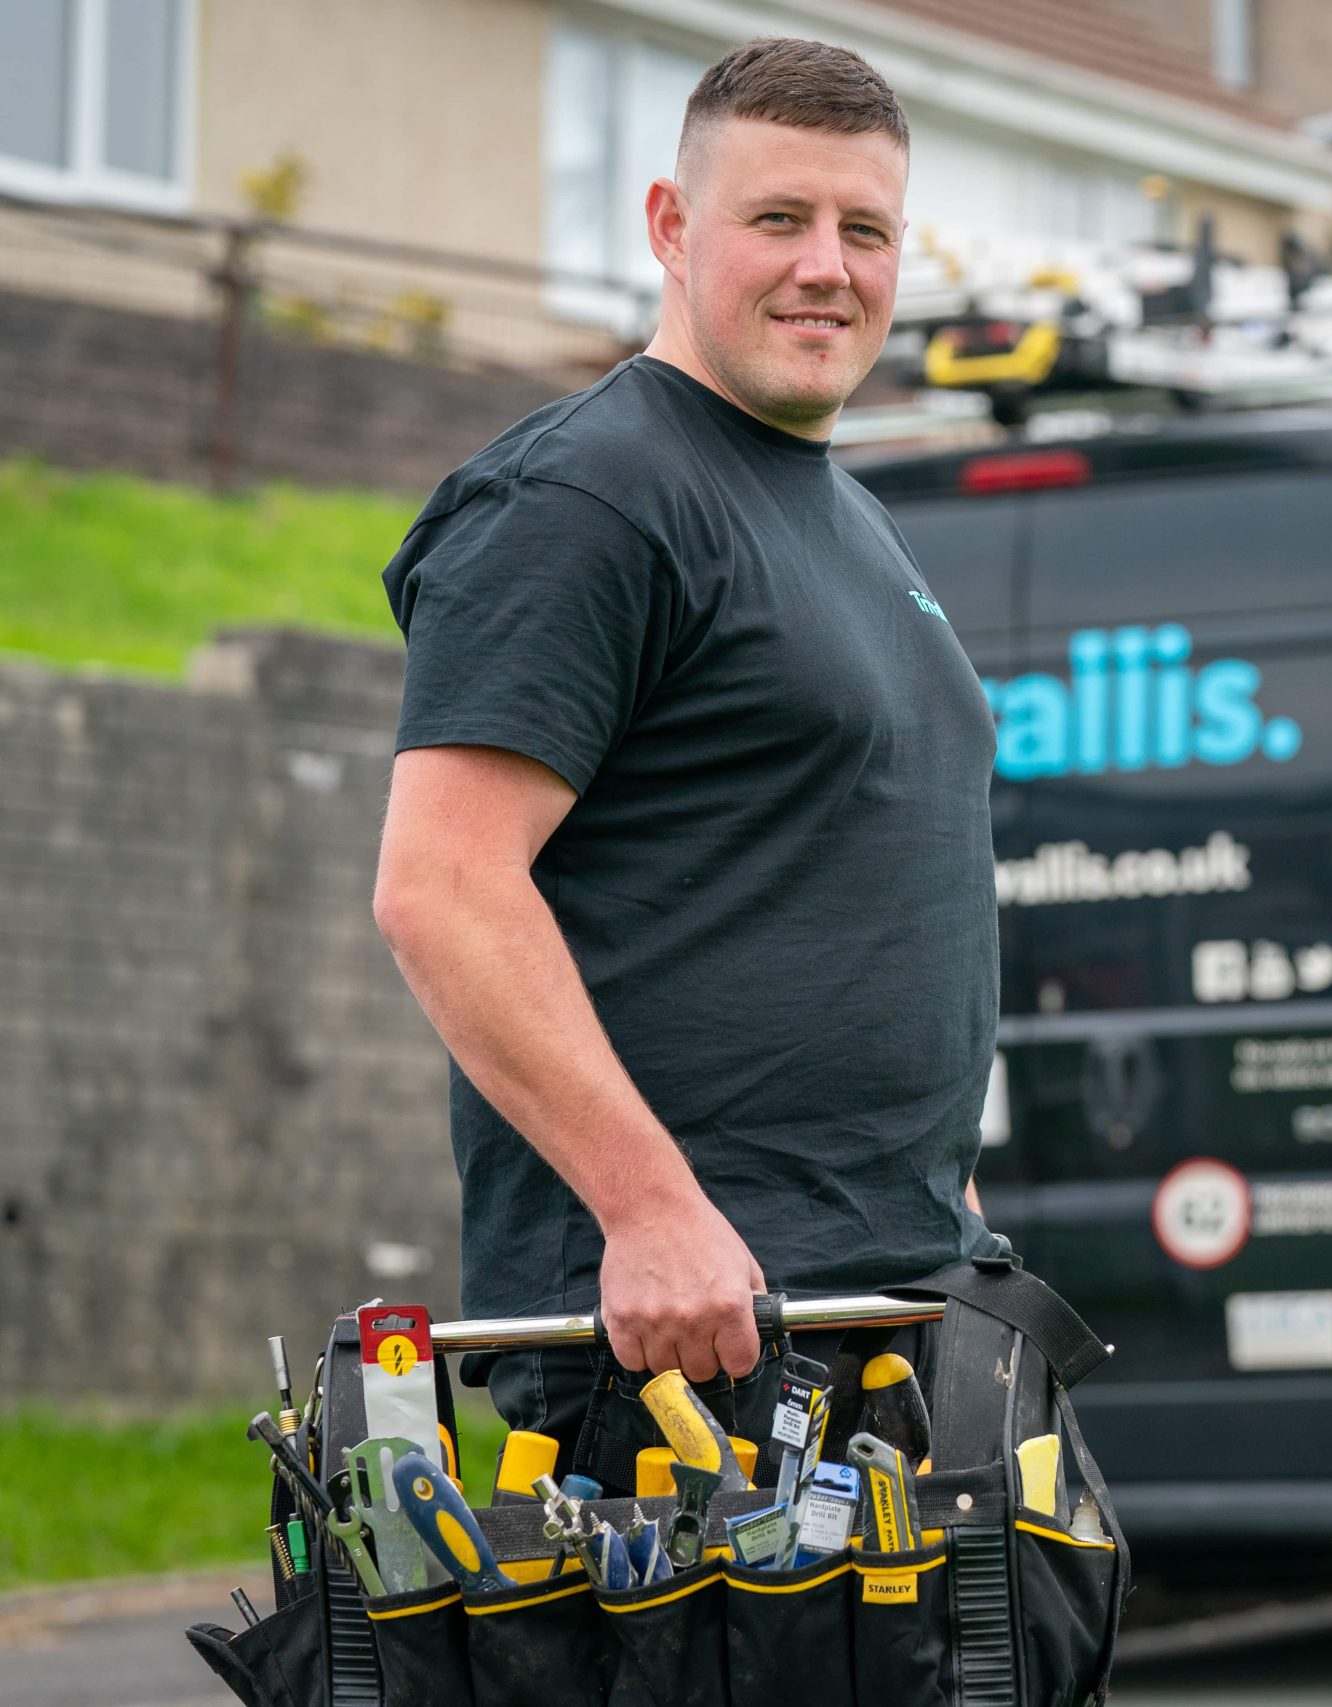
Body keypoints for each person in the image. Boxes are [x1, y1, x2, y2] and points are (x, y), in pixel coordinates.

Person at [371, 36, 996, 1488]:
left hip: (892, 1314)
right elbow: (443, 889)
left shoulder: (842, 512)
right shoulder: (587, 497)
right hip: (678, 1348)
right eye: (779, 219)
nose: (826, 268)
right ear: (669, 225)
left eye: (866, 230)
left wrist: (945, 1189)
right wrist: (648, 1212)